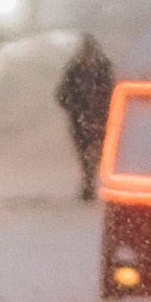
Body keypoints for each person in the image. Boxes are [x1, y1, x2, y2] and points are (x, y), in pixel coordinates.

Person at [55, 35, 117, 200]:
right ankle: (89, 181)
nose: (86, 56)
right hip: (80, 121)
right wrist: (74, 107)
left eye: (89, 53)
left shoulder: (103, 69)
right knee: (85, 153)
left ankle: (94, 181)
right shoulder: (73, 70)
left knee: (99, 152)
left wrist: (105, 109)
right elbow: (61, 94)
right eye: (84, 53)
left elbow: (112, 91)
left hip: (99, 119)